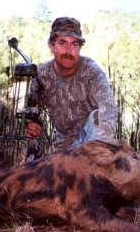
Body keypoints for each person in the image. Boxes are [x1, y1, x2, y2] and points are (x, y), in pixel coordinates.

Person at [26, 16, 118, 150]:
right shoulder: (41, 75)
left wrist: (98, 151)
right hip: (63, 146)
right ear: (51, 46)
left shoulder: (92, 72)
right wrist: (31, 126)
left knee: (97, 116)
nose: (69, 51)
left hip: (91, 143)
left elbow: (109, 109)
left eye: (74, 44)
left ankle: (94, 162)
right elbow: (32, 113)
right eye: (62, 43)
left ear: (80, 47)